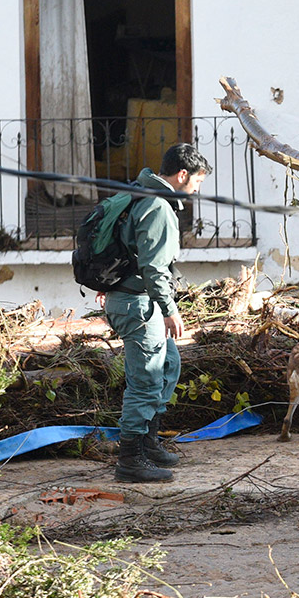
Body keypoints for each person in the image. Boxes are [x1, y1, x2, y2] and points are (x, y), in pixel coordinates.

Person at [104, 142, 209, 484]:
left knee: (168, 364)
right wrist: (169, 310)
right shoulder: (158, 205)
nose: (197, 188)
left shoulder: (139, 192)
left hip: (132, 298)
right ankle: (131, 460)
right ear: (182, 175)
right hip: (140, 303)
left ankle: (148, 443)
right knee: (146, 380)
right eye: (197, 180)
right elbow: (154, 267)